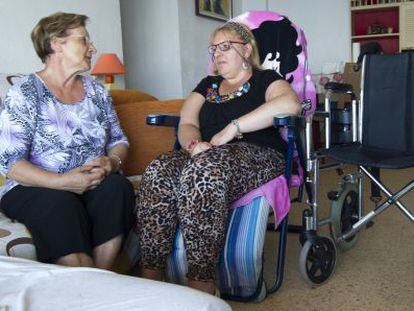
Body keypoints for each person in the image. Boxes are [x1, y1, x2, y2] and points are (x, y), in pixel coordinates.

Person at [135, 21, 301, 294]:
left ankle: (201, 283)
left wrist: (232, 129)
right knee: (159, 168)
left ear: (246, 50)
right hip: (206, 153)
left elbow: (290, 105)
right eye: (213, 49)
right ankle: (151, 275)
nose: (217, 54)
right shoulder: (207, 85)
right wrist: (193, 145)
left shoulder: (266, 79)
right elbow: (187, 121)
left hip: (258, 152)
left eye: (226, 47)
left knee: (204, 172)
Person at [0, 12, 134, 270]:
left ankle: (101, 276)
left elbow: (119, 140)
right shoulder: (25, 92)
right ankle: (88, 283)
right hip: (35, 186)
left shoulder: (96, 91)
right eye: (84, 40)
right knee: (60, 203)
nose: (92, 47)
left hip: (92, 182)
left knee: (118, 188)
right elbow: (11, 163)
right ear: (55, 44)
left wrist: (111, 162)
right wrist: (63, 182)